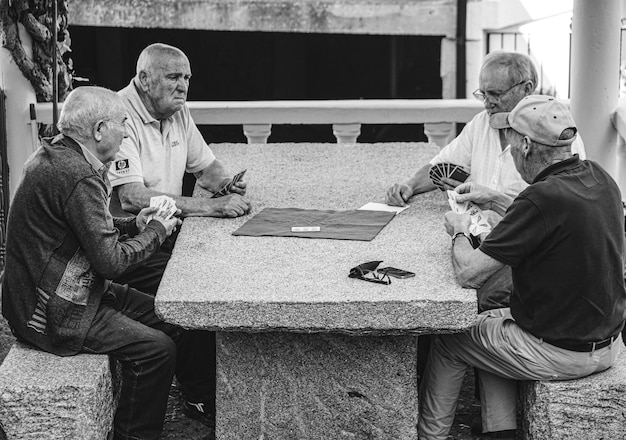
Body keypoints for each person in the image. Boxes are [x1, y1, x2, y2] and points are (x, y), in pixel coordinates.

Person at [1, 86, 215, 439]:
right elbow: (112, 262)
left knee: (175, 316)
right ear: (99, 129)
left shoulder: (55, 156)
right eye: (122, 123)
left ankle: (199, 400)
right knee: (157, 351)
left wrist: (135, 223)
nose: (127, 131)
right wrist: (158, 231)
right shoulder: (79, 175)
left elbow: (87, 227)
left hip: (56, 290)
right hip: (52, 311)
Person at [417, 95, 626, 440]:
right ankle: (500, 432)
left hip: (561, 353)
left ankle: (429, 437)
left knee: (451, 338)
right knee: (493, 322)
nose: (511, 154)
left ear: (526, 145)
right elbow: (553, 215)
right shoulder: (599, 178)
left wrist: (458, 230)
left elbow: (469, 273)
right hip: (606, 344)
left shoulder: (540, 200)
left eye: (511, 146)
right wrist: (495, 198)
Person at [386, 50, 586, 313]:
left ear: (527, 88)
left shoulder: (551, 139)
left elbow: (555, 214)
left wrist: (485, 212)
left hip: (521, 251)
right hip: (481, 239)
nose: (487, 102)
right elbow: (441, 164)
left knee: (464, 305)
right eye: (483, 94)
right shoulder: (481, 124)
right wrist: (410, 185)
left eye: (495, 94)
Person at [107, 42, 252, 295]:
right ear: (145, 79)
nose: (183, 86)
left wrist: (227, 184)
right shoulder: (118, 115)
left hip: (166, 231)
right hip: (129, 240)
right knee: (200, 282)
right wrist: (213, 206)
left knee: (228, 265)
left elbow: (206, 168)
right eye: (173, 77)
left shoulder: (177, 110)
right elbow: (131, 197)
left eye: (186, 78)